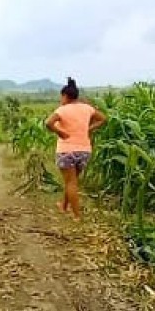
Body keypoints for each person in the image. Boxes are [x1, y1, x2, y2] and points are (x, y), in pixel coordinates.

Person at [45, 77, 107, 220]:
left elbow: (48, 123)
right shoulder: (87, 108)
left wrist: (60, 132)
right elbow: (103, 119)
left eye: (61, 97)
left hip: (66, 150)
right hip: (84, 151)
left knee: (70, 182)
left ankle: (77, 216)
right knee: (72, 181)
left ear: (65, 96)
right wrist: (89, 129)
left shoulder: (62, 110)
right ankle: (64, 206)